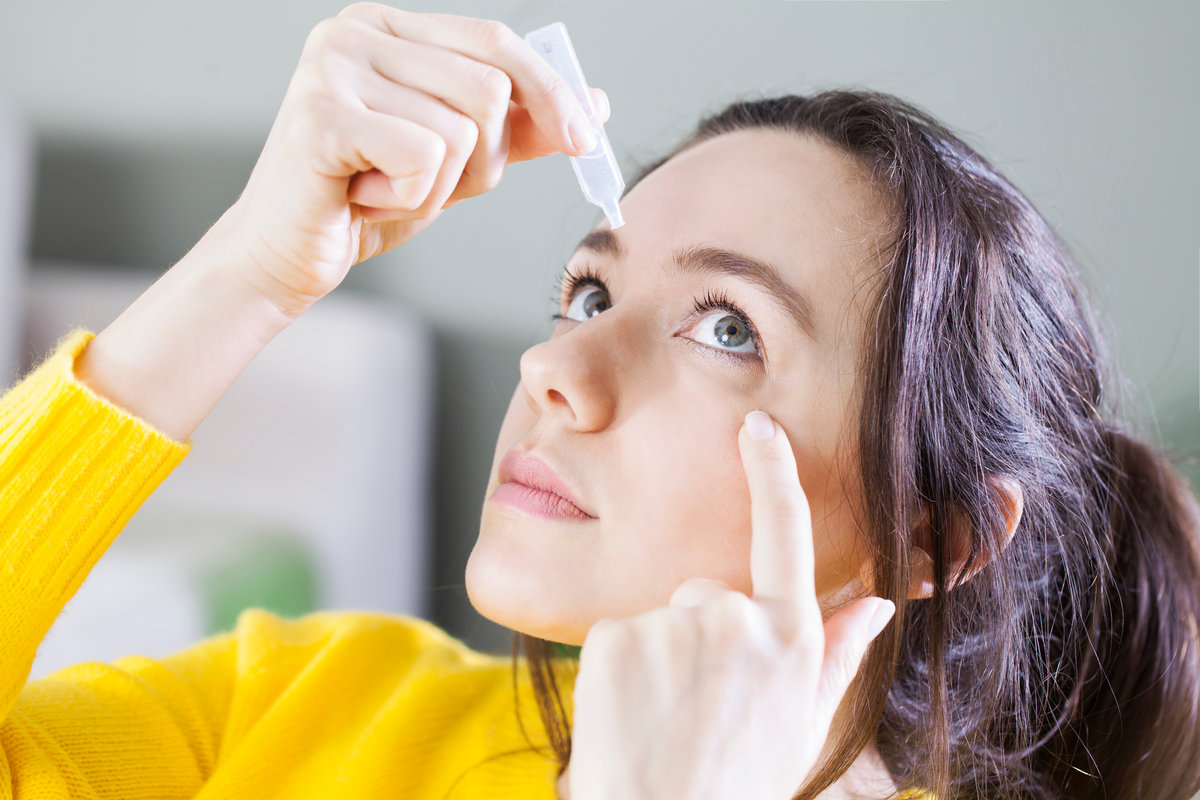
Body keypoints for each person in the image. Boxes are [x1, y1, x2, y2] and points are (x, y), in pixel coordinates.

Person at [1, 3, 1197, 799]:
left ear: (932, 537)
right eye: (586, 292)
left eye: (729, 327)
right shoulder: (306, 701)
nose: (553, 371)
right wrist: (250, 270)